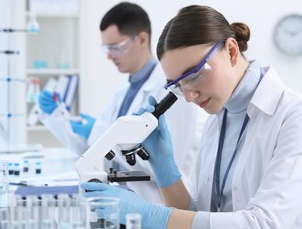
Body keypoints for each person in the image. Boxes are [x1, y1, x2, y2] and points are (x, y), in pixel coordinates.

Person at [82, 5, 302, 229]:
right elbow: (201, 218)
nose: (189, 96)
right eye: (179, 85)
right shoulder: (218, 118)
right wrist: (165, 169)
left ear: (231, 51)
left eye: (194, 75)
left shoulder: (296, 117)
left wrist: (149, 214)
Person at [38, 2, 197, 204]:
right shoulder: (123, 91)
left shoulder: (172, 90)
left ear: (141, 39)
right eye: (106, 48)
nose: (109, 55)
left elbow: (170, 164)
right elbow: (92, 152)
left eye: (116, 47)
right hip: (121, 204)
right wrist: (59, 119)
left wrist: (97, 131)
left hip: (157, 204)